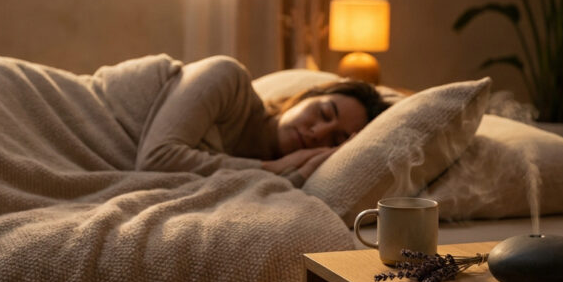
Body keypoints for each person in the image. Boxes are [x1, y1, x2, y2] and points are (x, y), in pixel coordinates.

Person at [137, 55, 390, 186]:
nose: (318, 133)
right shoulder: (227, 78)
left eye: (335, 140)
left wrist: (291, 172)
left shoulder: (274, 180)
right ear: (304, 97)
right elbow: (155, 160)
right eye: (323, 113)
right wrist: (272, 168)